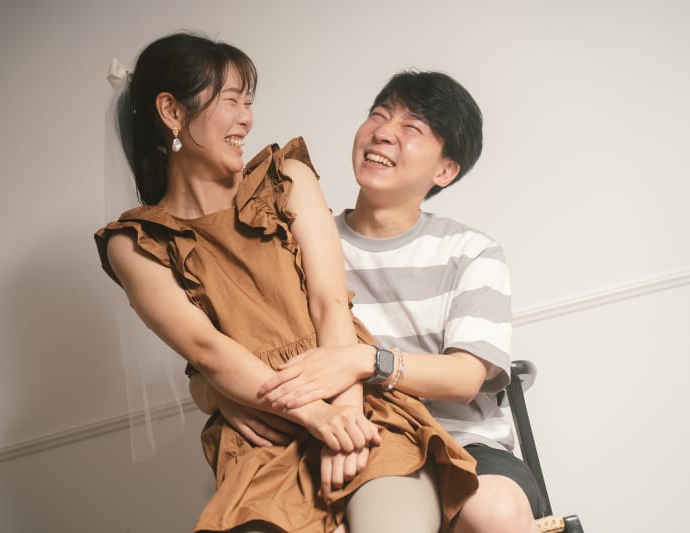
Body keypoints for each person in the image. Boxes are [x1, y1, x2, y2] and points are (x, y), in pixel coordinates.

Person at [95, 33, 477, 533]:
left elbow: (329, 304)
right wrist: (315, 417)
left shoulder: (286, 179)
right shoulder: (135, 243)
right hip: (262, 434)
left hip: (357, 406)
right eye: (231, 100)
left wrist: (345, 418)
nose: (246, 118)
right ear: (171, 111)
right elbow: (206, 350)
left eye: (248, 102)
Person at [205, 71, 545, 533]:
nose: (384, 132)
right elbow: (217, 358)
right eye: (379, 116)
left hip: (462, 443)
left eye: (412, 127)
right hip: (339, 444)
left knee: (496, 511)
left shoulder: (471, 252)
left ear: (445, 171)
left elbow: (466, 377)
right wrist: (226, 395)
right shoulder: (296, 243)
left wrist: (365, 360)